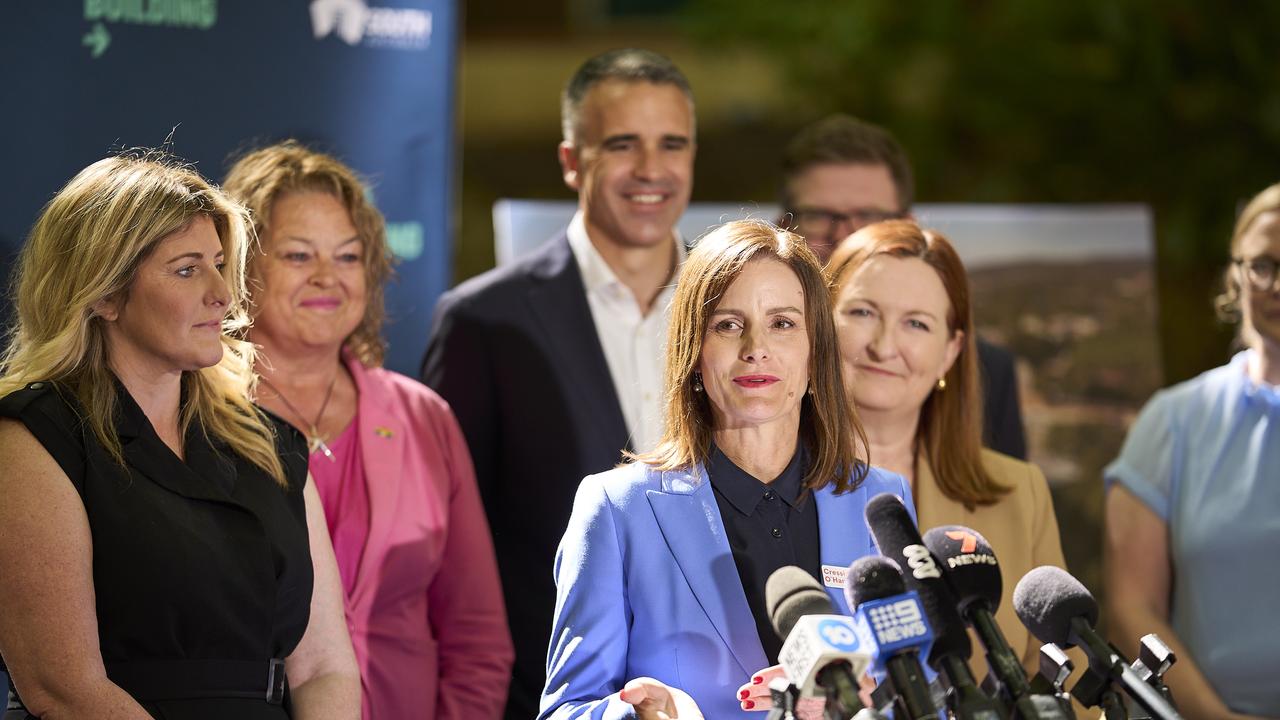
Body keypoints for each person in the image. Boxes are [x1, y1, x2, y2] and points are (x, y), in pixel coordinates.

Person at [0, 153, 360, 718]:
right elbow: (65, 689)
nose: (223, 293)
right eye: (188, 269)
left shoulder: (272, 445)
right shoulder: (33, 439)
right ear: (104, 294)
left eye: (220, 264)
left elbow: (323, 667)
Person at [540, 219, 913, 720]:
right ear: (694, 354)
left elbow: (925, 689)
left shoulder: (881, 505)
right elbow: (566, 710)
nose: (755, 347)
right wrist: (639, 716)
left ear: (814, 351)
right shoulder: (617, 509)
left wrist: (859, 700)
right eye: (728, 324)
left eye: (782, 323)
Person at [422, 48, 694, 718]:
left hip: (717, 690)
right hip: (545, 693)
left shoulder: (739, 310)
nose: (652, 170)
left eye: (673, 145)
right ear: (572, 160)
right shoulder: (484, 320)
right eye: (623, 145)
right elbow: (451, 545)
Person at [223, 142, 513, 719]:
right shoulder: (195, 416)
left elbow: (476, 635)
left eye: (349, 257)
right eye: (298, 255)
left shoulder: (424, 416)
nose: (328, 277)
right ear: (241, 267)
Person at [825, 220, 1070, 682]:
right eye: (861, 313)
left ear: (950, 351)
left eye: (916, 323)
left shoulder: (1020, 493)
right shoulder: (766, 486)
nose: (883, 346)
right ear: (820, 321)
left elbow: (1056, 672)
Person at [1104, 183, 1280, 720]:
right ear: (1236, 273)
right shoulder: (1174, 420)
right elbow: (1130, 605)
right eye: (1264, 265)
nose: (1277, 285)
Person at [779, 114, 1027, 459]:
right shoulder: (752, 357)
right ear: (783, 227)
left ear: (908, 226)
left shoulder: (985, 371)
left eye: (869, 217)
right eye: (820, 215)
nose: (846, 235)